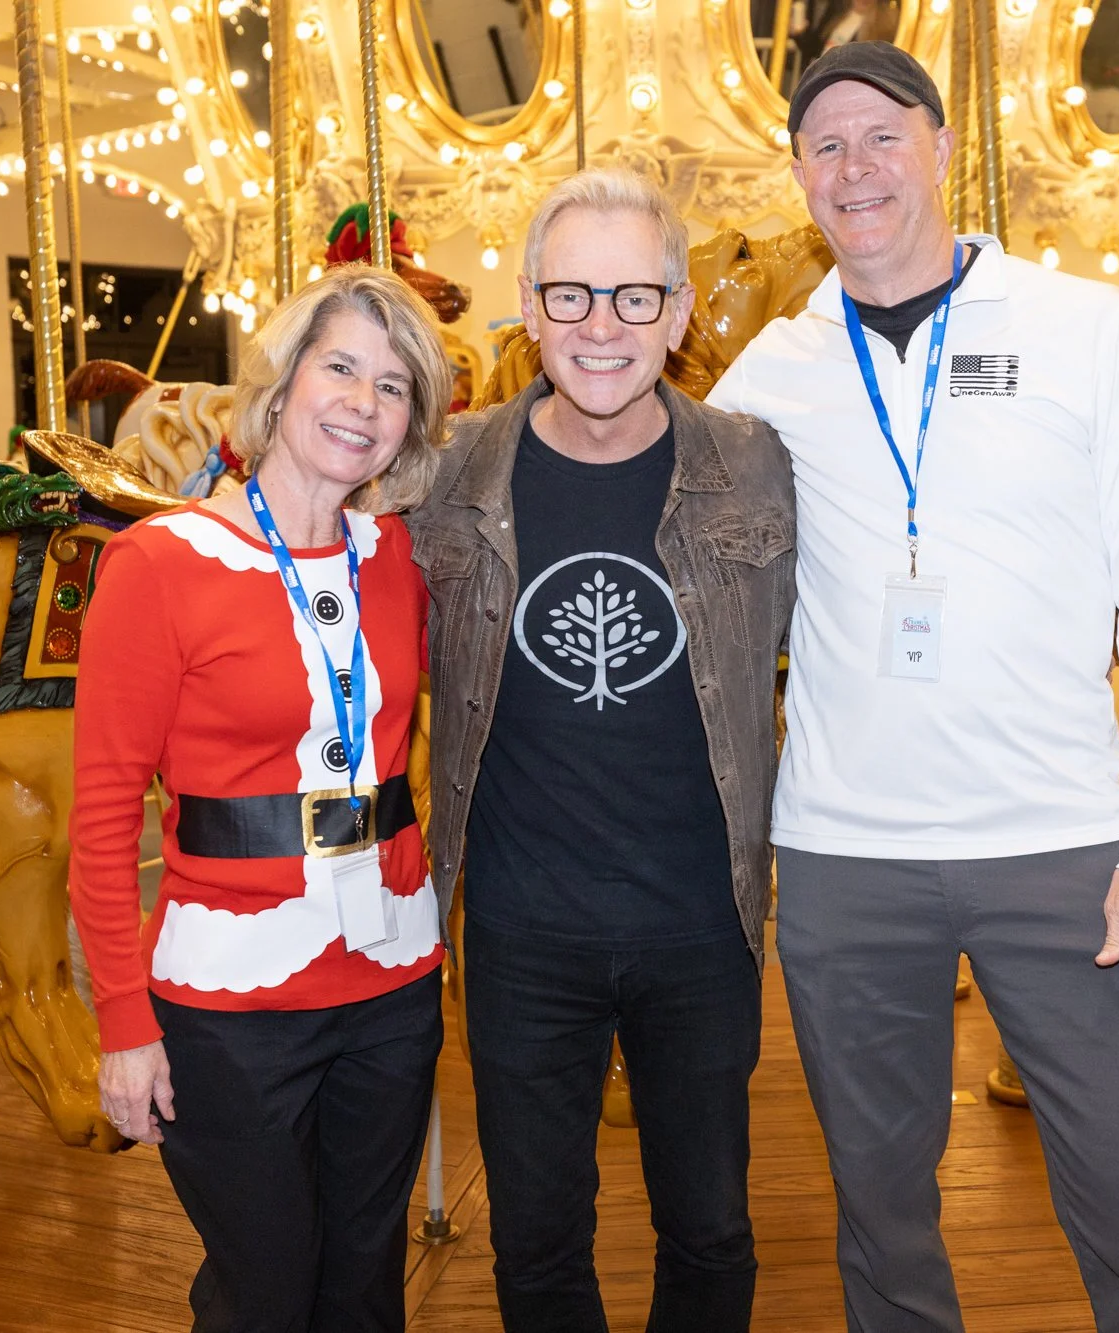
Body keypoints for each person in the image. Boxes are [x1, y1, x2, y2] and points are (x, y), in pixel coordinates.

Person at [707, 43, 1119, 1331]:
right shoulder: (769, 372)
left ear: (940, 148)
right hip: (841, 859)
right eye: (825, 146)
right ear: (799, 177)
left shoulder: (1082, 329)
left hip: (1064, 851)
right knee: (880, 1220)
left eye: (881, 135)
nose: (855, 167)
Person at [411, 168, 794, 1332]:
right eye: (571, 294)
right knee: (535, 1241)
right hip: (522, 927)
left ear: (677, 315)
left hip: (701, 920)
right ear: (529, 308)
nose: (600, 326)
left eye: (634, 297)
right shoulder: (446, 473)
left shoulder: (755, 464)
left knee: (710, 1231)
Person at [69, 264, 453, 1332]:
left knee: (365, 1285)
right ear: (281, 386)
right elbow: (102, 815)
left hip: (392, 982)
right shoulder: (161, 563)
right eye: (341, 368)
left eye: (393, 386)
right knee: (265, 1289)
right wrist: (122, 1021)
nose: (363, 403)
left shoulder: (399, 556)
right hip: (230, 1001)